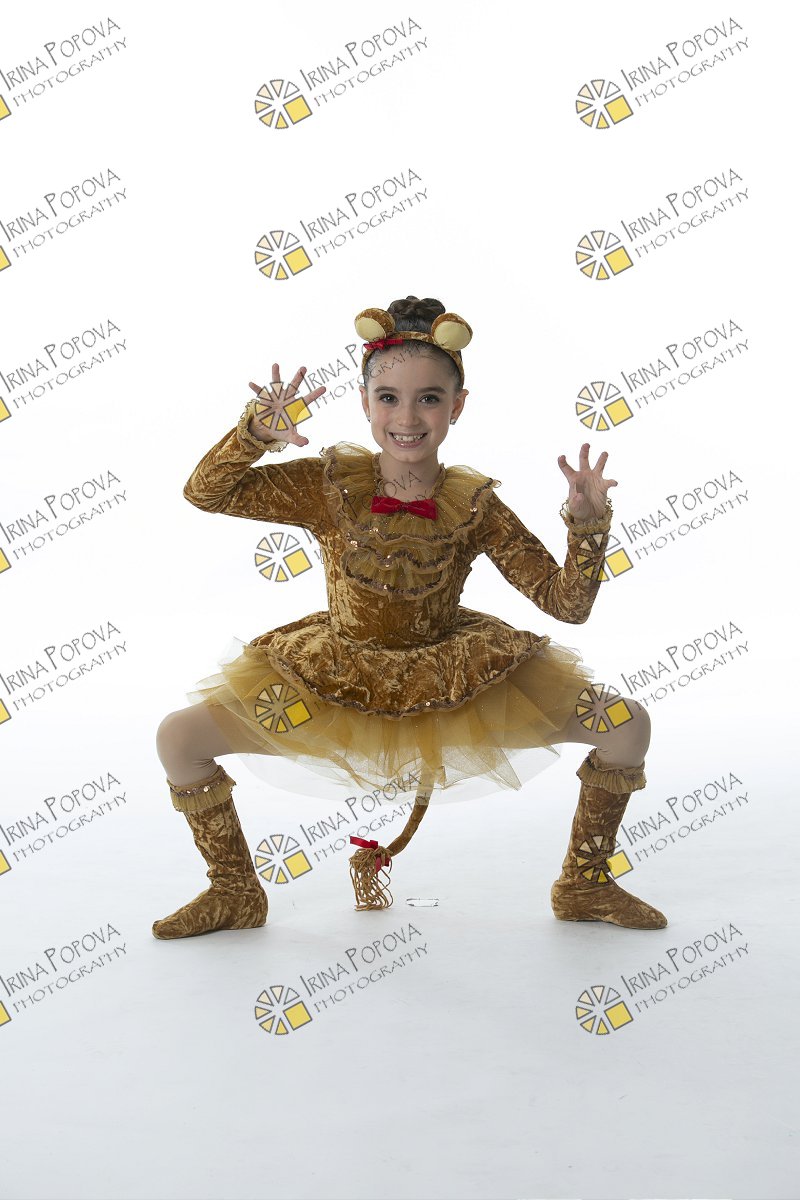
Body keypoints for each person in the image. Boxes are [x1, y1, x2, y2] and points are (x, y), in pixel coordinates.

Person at [152, 295, 666, 940]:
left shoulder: (474, 505)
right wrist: (253, 434)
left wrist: (587, 527)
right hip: (334, 679)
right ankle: (233, 890)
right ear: (364, 402)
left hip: (455, 680)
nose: (407, 417)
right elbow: (205, 492)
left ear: (457, 406)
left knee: (626, 724)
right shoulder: (328, 485)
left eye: (429, 398)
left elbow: (568, 605)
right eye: (389, 397)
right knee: (179, 739)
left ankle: (585, 883)